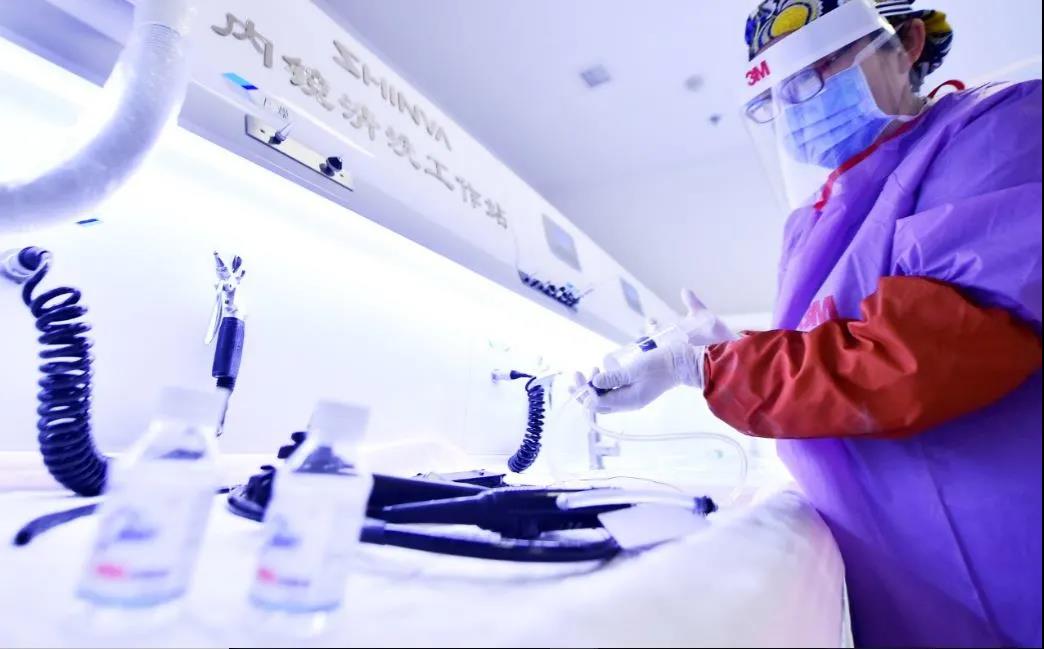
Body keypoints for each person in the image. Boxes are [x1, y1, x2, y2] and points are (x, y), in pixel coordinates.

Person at [581, 0, 1042, 646]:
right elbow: (831, 358)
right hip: (912, 590)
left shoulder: (997, 135)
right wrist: (732, 349)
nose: (796, 104)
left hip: (1012, 569)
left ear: (907, 43)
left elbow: (920, 357)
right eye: (776, 94)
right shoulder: (818, 218)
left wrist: (710, 367)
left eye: (816, 69)